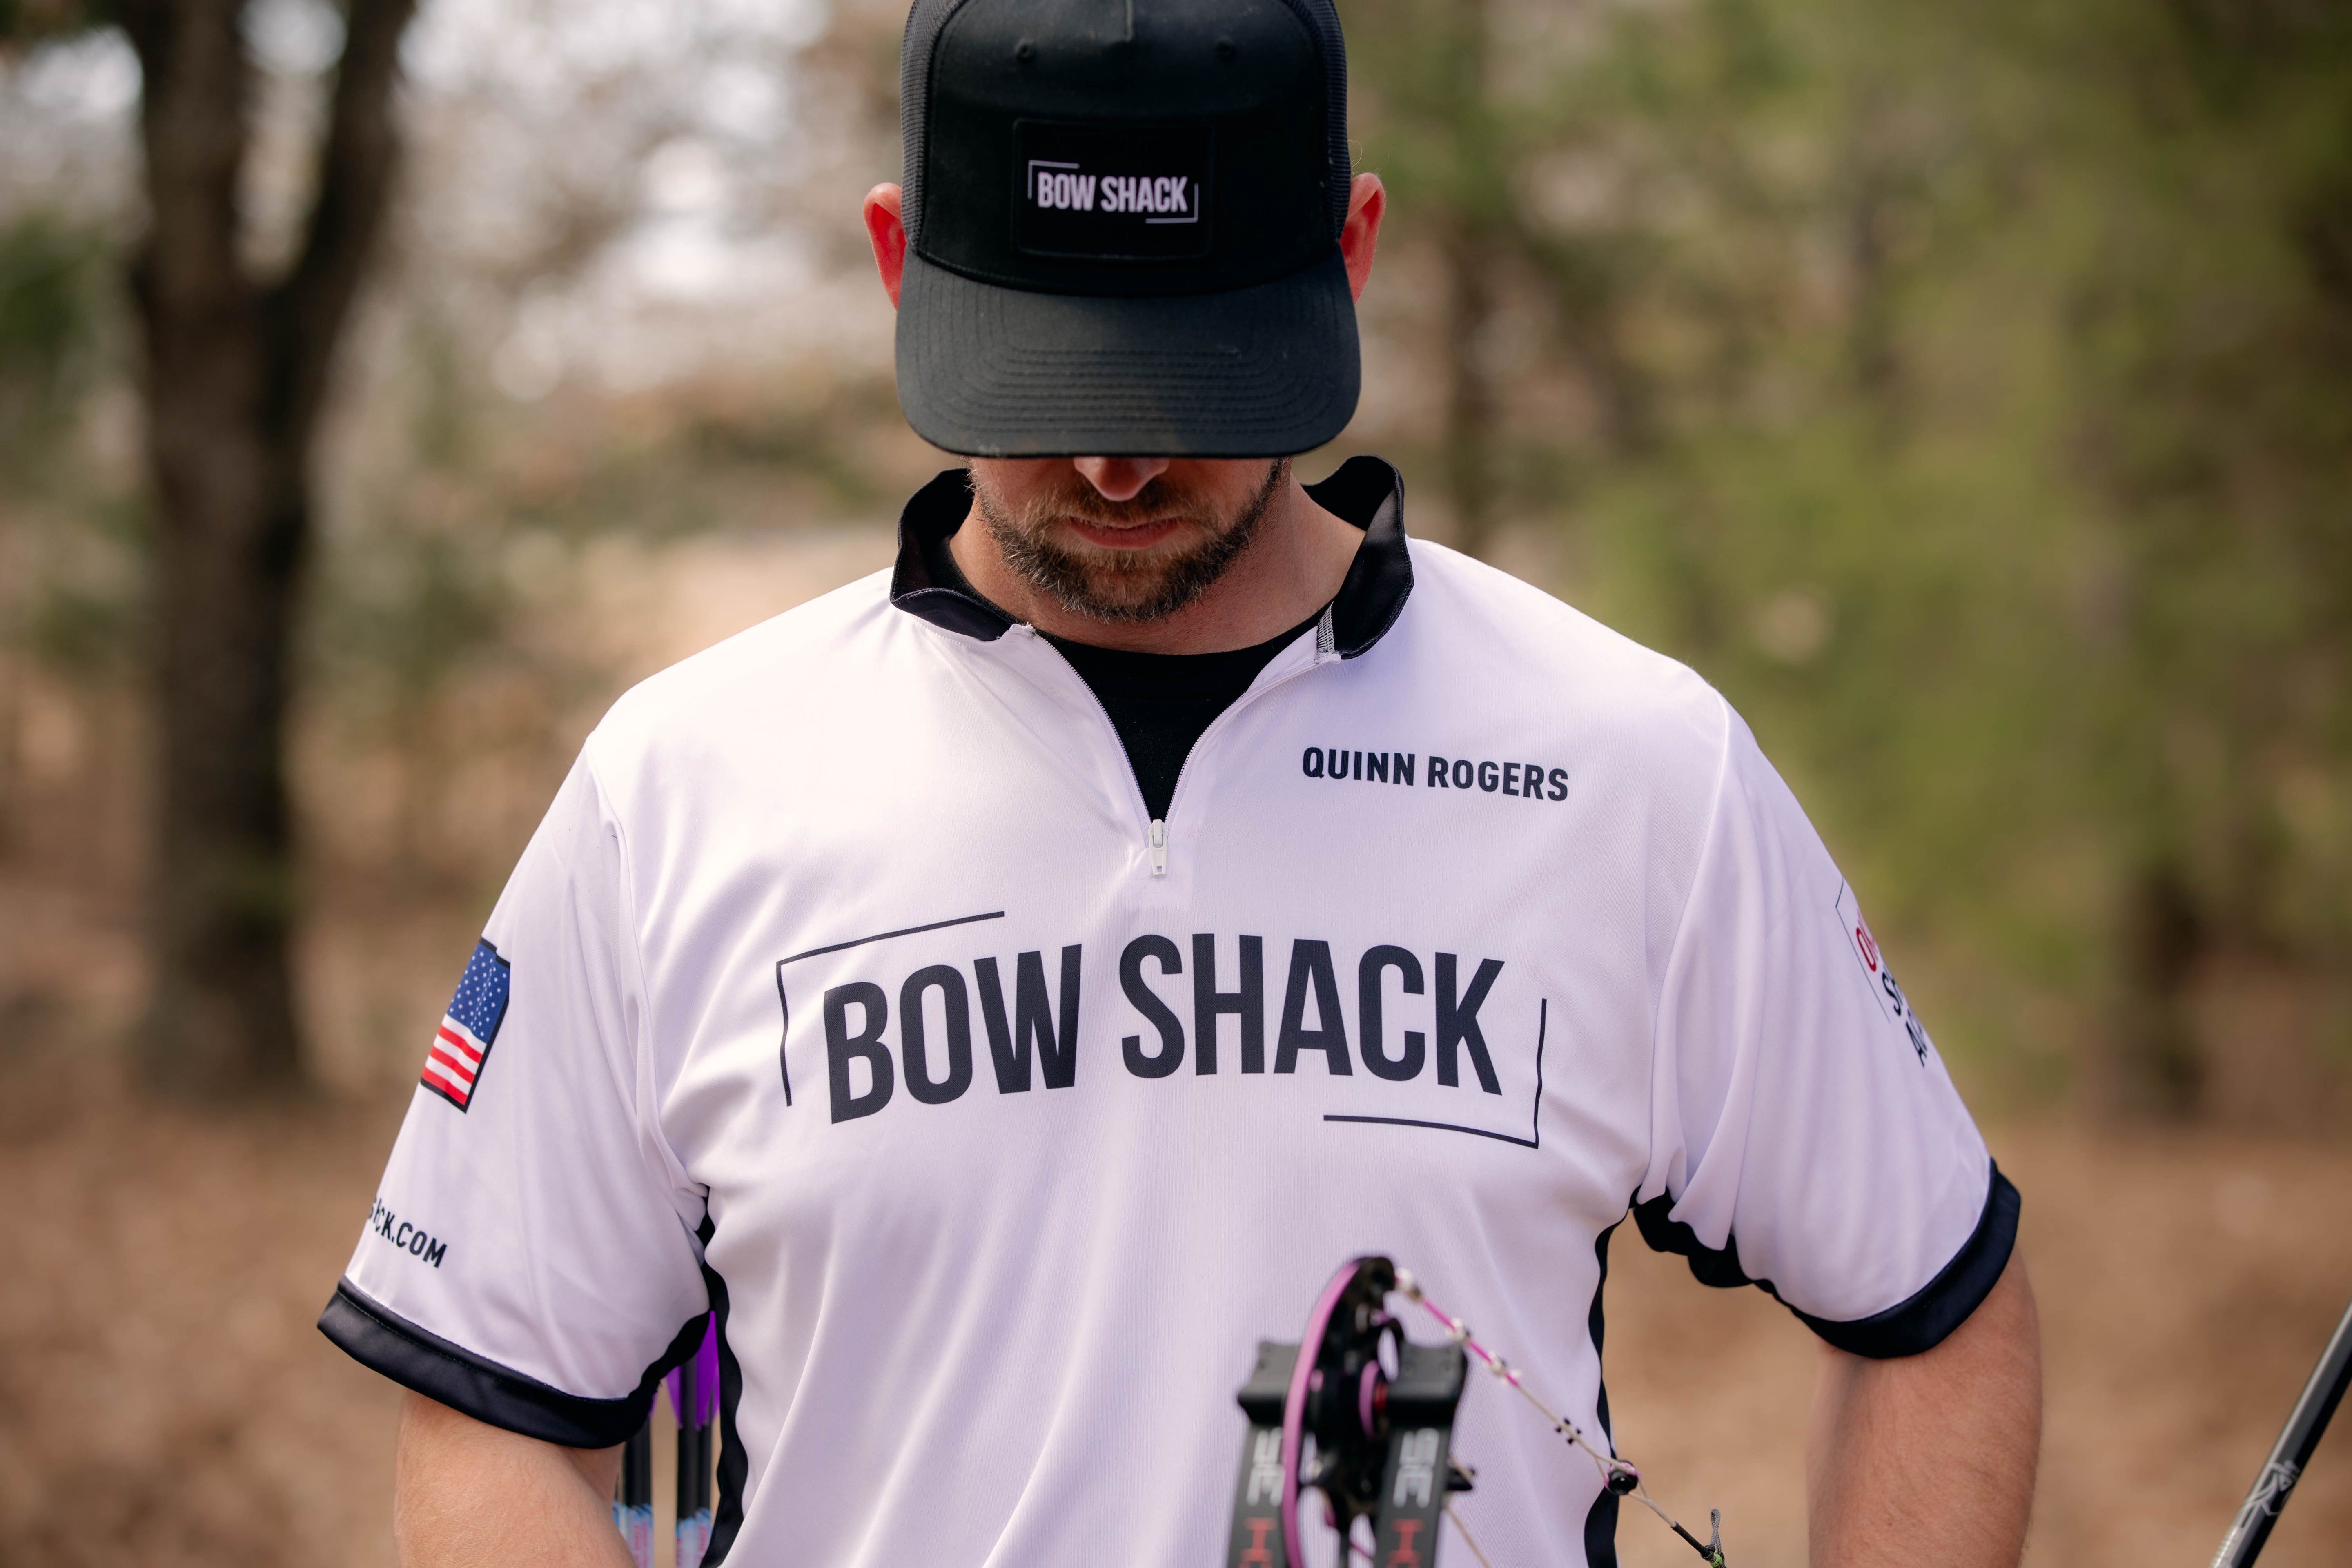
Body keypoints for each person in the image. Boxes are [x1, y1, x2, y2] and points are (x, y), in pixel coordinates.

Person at [321, 0, 2042, 1563]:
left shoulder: (1631, 766)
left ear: (1349, 254)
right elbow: (490, 1408)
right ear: (899, 263)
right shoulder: (676, 792)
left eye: (1197, 375)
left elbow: (1939, 1310)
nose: (1116, 457)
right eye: (1043, 371)